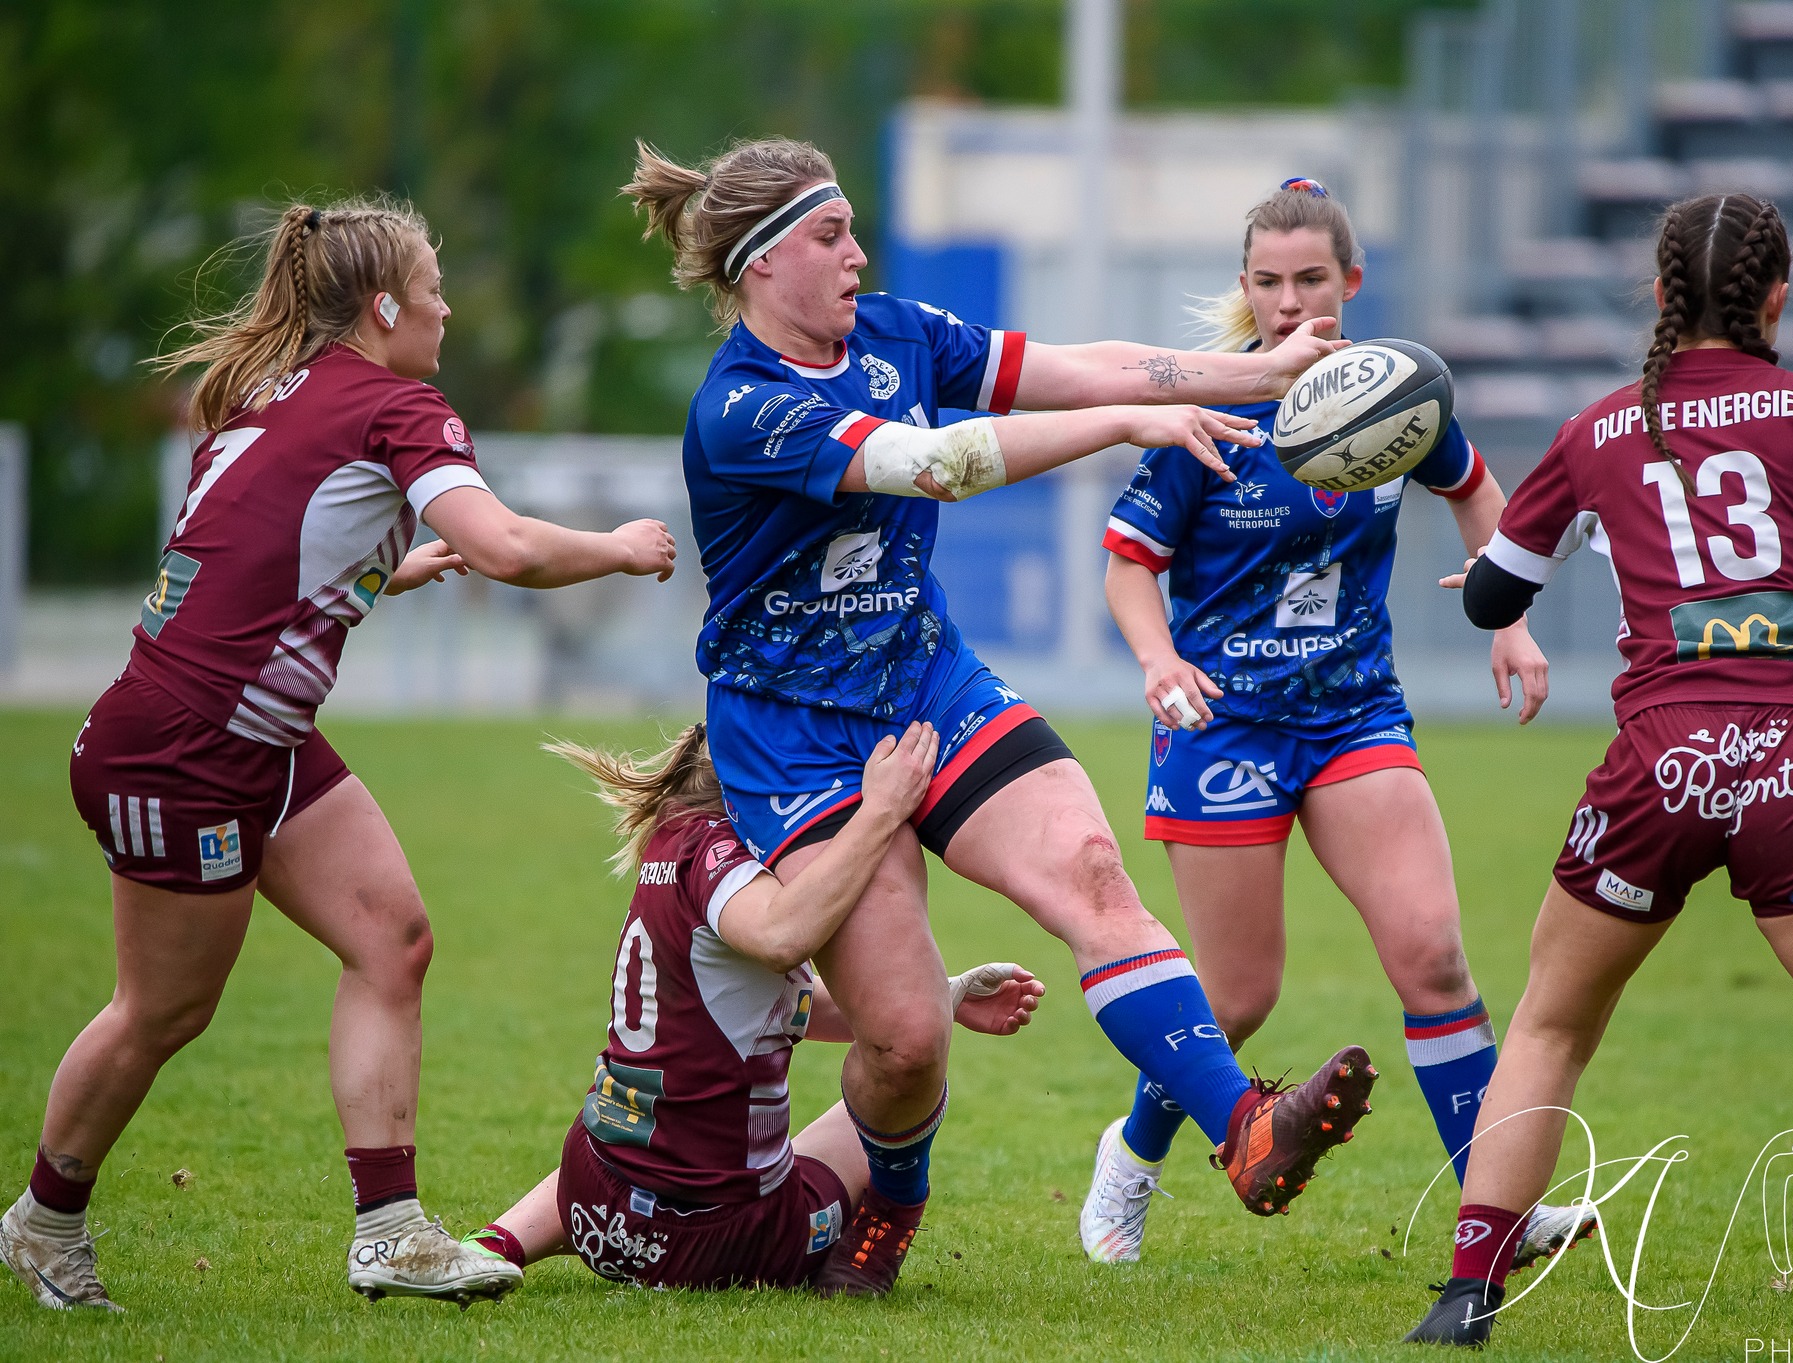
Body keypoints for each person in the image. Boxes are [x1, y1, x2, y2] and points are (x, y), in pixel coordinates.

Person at [623, 136, 1379, 1296]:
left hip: (928, 684)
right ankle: (891, 1205)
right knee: (906, 1040)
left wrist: (1257, 374)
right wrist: (1124, 422)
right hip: (795, 739)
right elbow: (935, 463)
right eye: (830, 235)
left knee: (1091, 873)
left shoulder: (896, 334)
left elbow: (1085, 365)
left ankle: (1244, 1130)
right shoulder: (742, 408)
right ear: (761, 261)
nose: (857, 254)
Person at [0, 198, 679, 1313]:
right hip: (187, 749)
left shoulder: (273, 395)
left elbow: (247, 549)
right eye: (434, 290)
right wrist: (617, 546)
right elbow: (505, 545)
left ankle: (392, 1232)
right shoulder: (396, 404)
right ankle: (41, 1223)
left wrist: (380, 570)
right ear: (383, 308)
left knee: (392, 939)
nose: (447, 310)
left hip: (245, 734)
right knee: (163, 1009)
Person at [1405, 192, 1793, 1346]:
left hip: (1660, 762)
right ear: (1777, 299)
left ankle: (1465, 1294)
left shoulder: (1597, 429)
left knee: (1549, 1028)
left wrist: (1524, 569)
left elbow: (1493, 595)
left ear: (1659, 296)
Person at [1078, 178, 1592, 1272]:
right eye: (1267, 282)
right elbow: (1127, 565)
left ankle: (1496, 1210)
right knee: (1237, 996)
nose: (1287, 301)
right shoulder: (1213, 412)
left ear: (1350, 281)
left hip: (1353, 714)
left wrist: (1507, 615)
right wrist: (1158, 658)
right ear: (1245, 286)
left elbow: (1475, 489)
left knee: (1433, 958)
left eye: (1310, 278)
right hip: (1223, 723)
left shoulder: (1394, 395)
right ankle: (1132, 1151)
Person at [460, 722, 1045, 1292]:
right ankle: (891, 1221)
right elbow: (782, 935)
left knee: (626, 1136)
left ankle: (502, 1240)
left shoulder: (674, 836)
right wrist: (881, 811)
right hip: (720, 1237)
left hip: (593, 1197)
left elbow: (777, 1010)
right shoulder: (721, 856)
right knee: (905, 1077)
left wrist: (944, 996)